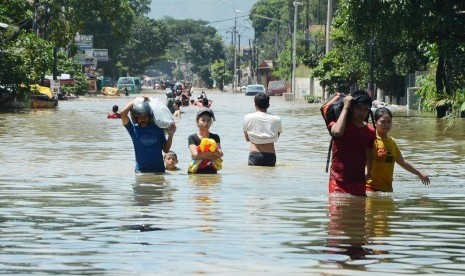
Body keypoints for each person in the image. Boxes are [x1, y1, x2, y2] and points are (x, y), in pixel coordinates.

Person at [366, 107, 430, 192]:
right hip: (370, 188)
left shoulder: (392, 141)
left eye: (389, 122)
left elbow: (402, 162)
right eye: (383, 122)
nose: (386, 125)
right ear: (375, 122)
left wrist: (419, 173)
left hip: (387, 189)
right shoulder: (371, 140)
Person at [328, 90, 376, 196]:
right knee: (337, 212)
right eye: (358, 109)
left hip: (359, 181)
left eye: (365, 110)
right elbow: (337, 132)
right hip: (337, 181)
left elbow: (369, 154)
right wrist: (345, 107)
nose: (362, 113)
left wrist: (368, 171)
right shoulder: (337, 124)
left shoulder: (370, 131)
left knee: (359, 212)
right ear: (352, 108)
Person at [121, 96, 176, 173]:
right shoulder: (133, 129)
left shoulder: (158, 129)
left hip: (159, 171)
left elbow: (166, 150)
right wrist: (135, 101)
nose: (142, 119)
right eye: (139, 117)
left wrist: (171, 135)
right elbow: (123, 113)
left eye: (145, 116)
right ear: (136, 118)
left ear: (149, 117)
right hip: (141, 171)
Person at [242, 92, 282, 166]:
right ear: (268, 105)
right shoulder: (277, 119)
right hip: (270, 156)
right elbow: (276, 137)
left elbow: (247, 139)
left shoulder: (247, 117)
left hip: (254, 156)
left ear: (255, 105)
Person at [188, 108, 223, 174]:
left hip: (212, 172)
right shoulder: (192, 137)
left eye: (208, 120)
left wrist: (202, 154)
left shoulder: (215, 137)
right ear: (197, 121)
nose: (206, 123)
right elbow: (195, 155)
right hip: (196, 173)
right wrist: (213, 154)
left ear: (211, 122)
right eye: (203, 120)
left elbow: (220, 153)